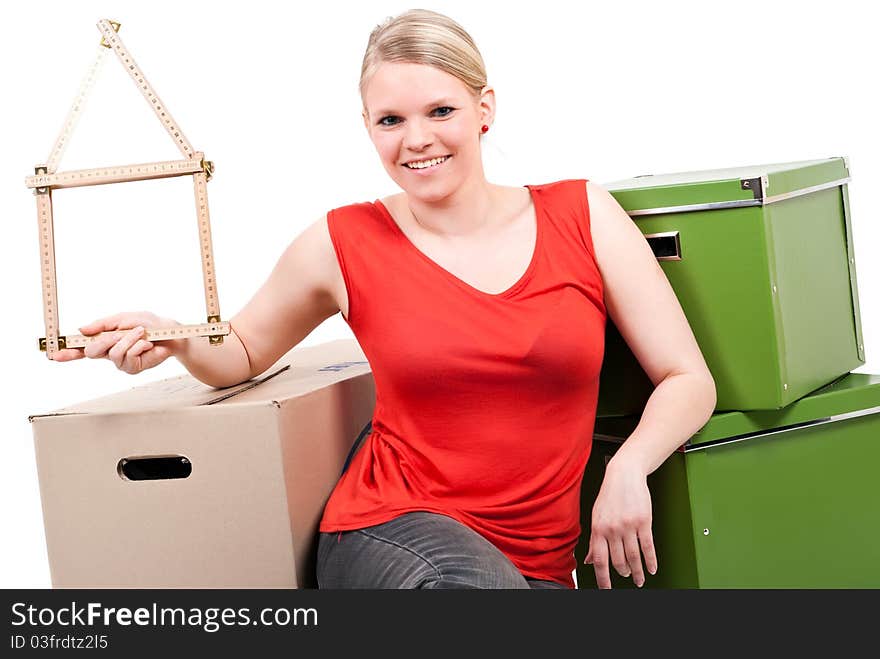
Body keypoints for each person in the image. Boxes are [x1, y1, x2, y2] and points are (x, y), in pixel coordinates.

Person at [51, 9, 716, 589]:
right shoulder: (343, 240)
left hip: (535, 564)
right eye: (390, 120)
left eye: (440, 111)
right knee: (464, 589)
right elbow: (246, 348)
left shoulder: (582, 214)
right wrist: (173, 335)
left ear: (485, 108)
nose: (416, 139)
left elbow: (687, 379)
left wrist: (629, 465)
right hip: (389, 532)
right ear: (368, 126)